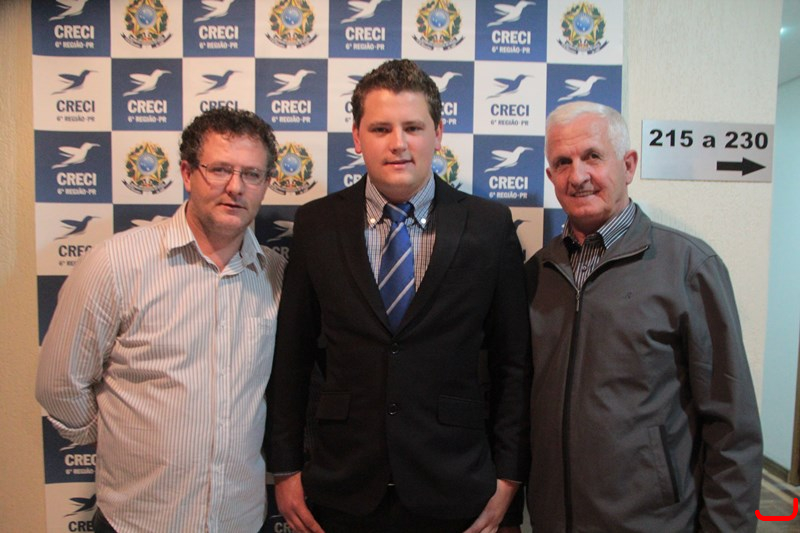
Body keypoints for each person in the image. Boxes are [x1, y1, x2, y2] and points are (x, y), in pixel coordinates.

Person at [265, 59, 531, 533]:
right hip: (342, 486)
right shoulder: (318, 223)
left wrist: (509, 478)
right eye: (381, 128)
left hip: (455, 485)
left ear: (438, 133)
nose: (398, 143)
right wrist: (284, 469)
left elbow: (513, 362)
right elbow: (292, 357)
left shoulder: (489, 226)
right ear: (357, 137)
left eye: (413, 127)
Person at [36, 108, 286, 532]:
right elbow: (59, 386)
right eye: (219, 170)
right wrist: (121, 437)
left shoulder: (276, 275)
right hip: (138, 521)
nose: (235, 187)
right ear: (187, 173)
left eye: (252, 174)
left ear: (265, 183)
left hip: (241, 520)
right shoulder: (116, 264)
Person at [526, 101, 763, 531]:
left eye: (593, 156)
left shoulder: (689, 268)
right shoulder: (536, 273)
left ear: (629, 164)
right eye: (562, 163)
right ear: (550, 175)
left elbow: (733, 426)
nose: (577, 176)